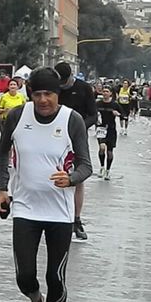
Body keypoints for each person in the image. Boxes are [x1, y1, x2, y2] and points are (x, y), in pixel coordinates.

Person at [0, 67, 92, 302]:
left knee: (56, 277)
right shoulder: (17, 116)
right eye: (37, 94)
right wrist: (2, 188)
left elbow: (86, 165)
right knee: (25, 275)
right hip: (25, 207)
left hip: (60, 213)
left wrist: (71, 178)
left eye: (48, 94)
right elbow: (2, 152)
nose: (43, 100)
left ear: (57, 94)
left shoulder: (71, 120)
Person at [55, 62, 97, 241]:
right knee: (54, 175)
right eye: (60, 83)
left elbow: (93, 115)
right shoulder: (53, 89)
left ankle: (76, 219)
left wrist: (78, 128)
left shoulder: (84, 88)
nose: (63, 85)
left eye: (65, 82)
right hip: (55, 138)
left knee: (78, 178)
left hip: (77, 138)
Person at [96, 86, 121, 180]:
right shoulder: (98, 104)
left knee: (109, 152)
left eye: (107, 91)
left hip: (111, 129)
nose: (105, 93)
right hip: (101, 128)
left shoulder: (114, 104)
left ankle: (108, 170)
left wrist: (117, 114)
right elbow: (92, 113)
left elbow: (123, 114)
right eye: (103, 91)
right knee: (102, 147)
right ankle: (102, 167)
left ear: (111, 93)